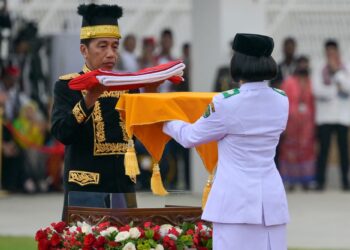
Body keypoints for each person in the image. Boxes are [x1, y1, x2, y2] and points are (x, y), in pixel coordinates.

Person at [163, 33, 289, 249]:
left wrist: (163, 119)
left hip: (235, 202)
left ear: (238, 63)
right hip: (270, 202)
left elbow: (190, 137)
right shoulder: (282, 99)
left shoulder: (225, 102)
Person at [51, 3, 138, 220]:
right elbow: (62, 133)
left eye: (115, 46)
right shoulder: (68, 86)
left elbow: (142, 132)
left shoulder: (129, 85)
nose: (110, 54)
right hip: (85, 187)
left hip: (122, 186)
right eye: (102, 46)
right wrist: (88, 100)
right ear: (84, 50)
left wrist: (153, 92)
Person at [312, 39, 350, 191]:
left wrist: (337, 73)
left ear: (337, 52)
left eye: (333, 52)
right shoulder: (319, 67)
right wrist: (336, 90)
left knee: (344, 151)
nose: (331, 55)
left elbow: (348, 88)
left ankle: (345, 182)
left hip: (342, 117)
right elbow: (316, 90)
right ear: (325, 53)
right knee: (323, 150)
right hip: (324, 117)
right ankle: (320, 182)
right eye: (328, 52)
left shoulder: (345, 67)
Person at [279, 56, 316, 191]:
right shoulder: (288, 82)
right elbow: (282, 102)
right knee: (290, 149)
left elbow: (313, 103)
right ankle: (290, 181)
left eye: (305, 65)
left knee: (306, 149)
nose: (303, 67)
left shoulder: (312, 82)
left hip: (307, 123)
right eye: (301, 65)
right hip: (291, 122)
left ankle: (306, 180)